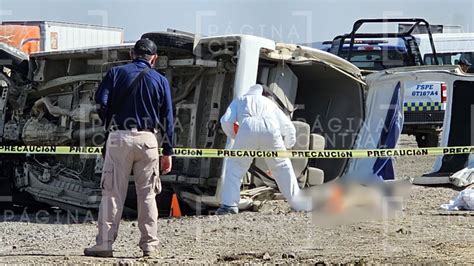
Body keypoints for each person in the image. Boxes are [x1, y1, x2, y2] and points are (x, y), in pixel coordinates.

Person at [84, 39, 174, 258]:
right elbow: (168, 117)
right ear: (154, 58)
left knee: (112, 193)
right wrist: (167, 151)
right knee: (148, 194)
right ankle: (149, 245)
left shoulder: (115, 73)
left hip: (119, 137)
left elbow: (101, 101)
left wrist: (110, 122)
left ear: (132, 54)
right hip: (148, 138)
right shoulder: (160, 80)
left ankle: (104, 245)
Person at [216, 84, 311, 214]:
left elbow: (226, 121)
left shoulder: (240, 100)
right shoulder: (270, 104)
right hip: (271, 129)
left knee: (235, 168)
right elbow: (289, 128)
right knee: (283, 168)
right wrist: (287, 147)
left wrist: (236, 136)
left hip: (247, 128)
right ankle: (299, 205)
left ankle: (229, 207)